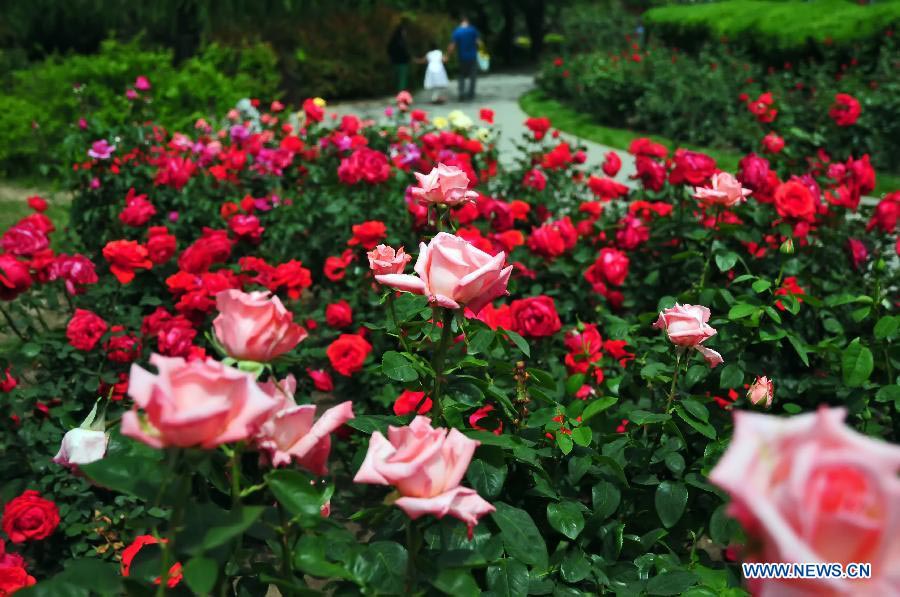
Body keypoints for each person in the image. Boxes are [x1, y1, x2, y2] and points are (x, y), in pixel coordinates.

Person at [447, 16, 479, 101]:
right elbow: (478, 42)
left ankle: (461, 93)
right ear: (468, 22)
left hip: (462, 57)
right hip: (472, 56)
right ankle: (471, 94)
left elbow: (452, 45)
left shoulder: (457, 31)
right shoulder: (473, 30)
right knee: (473, 76)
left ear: (460, 22)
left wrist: (448, 55)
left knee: (461, 76)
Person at [387, 22, 411, 93]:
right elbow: (405, 51)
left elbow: (389, 50)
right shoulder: (402, 41)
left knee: (396, 78)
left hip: (394, 61)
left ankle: (397, 92)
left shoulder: (393, 41)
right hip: (402, 62)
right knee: (402, 79)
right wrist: (408, 57)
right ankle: (401, 94)